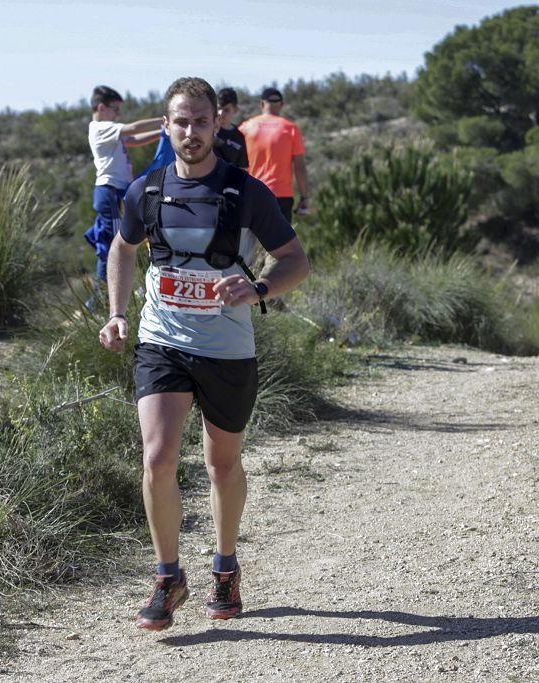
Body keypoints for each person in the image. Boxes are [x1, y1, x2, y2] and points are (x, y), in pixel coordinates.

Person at [98, 76, 310, 631]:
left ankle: (225, 567)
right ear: (165, 127)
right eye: (180, 122)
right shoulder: (145, 190)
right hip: (162, 342)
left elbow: (294, 260)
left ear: (218, 124)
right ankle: (168, 578)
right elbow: (122, 247)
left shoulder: (247, 192)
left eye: (200, 121)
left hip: (227, 348)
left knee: (221, 464)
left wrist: (259, 287)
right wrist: (118, 313)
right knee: (158, 457)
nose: (190, 132)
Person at [83, 86, 163, 307]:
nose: (117, 114)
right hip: (110, 191)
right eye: (115, 109)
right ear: (101, 107)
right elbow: (133, 128)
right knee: (114, 245)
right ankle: (100, 298)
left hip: (113, 192)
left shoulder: (109, 131)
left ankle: (102, 296)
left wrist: (163, 131)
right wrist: (166, 119)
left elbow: (135, 139)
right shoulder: (100, 128)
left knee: (112, 243)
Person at [239, 87, 309, 222]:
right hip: (282, 196)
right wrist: (304, 197)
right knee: (280, 242)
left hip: (252, 193)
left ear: (261, 104)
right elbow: (299, 168)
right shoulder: (290, 128)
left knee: (249, 241)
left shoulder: (245, 128)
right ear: (281, 105)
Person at [213, 87, 249, 169]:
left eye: (226, 110)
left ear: (235, 109)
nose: (220, 113)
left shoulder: (239, 137)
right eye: (218, 108)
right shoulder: (208, 131)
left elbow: (242, 168)